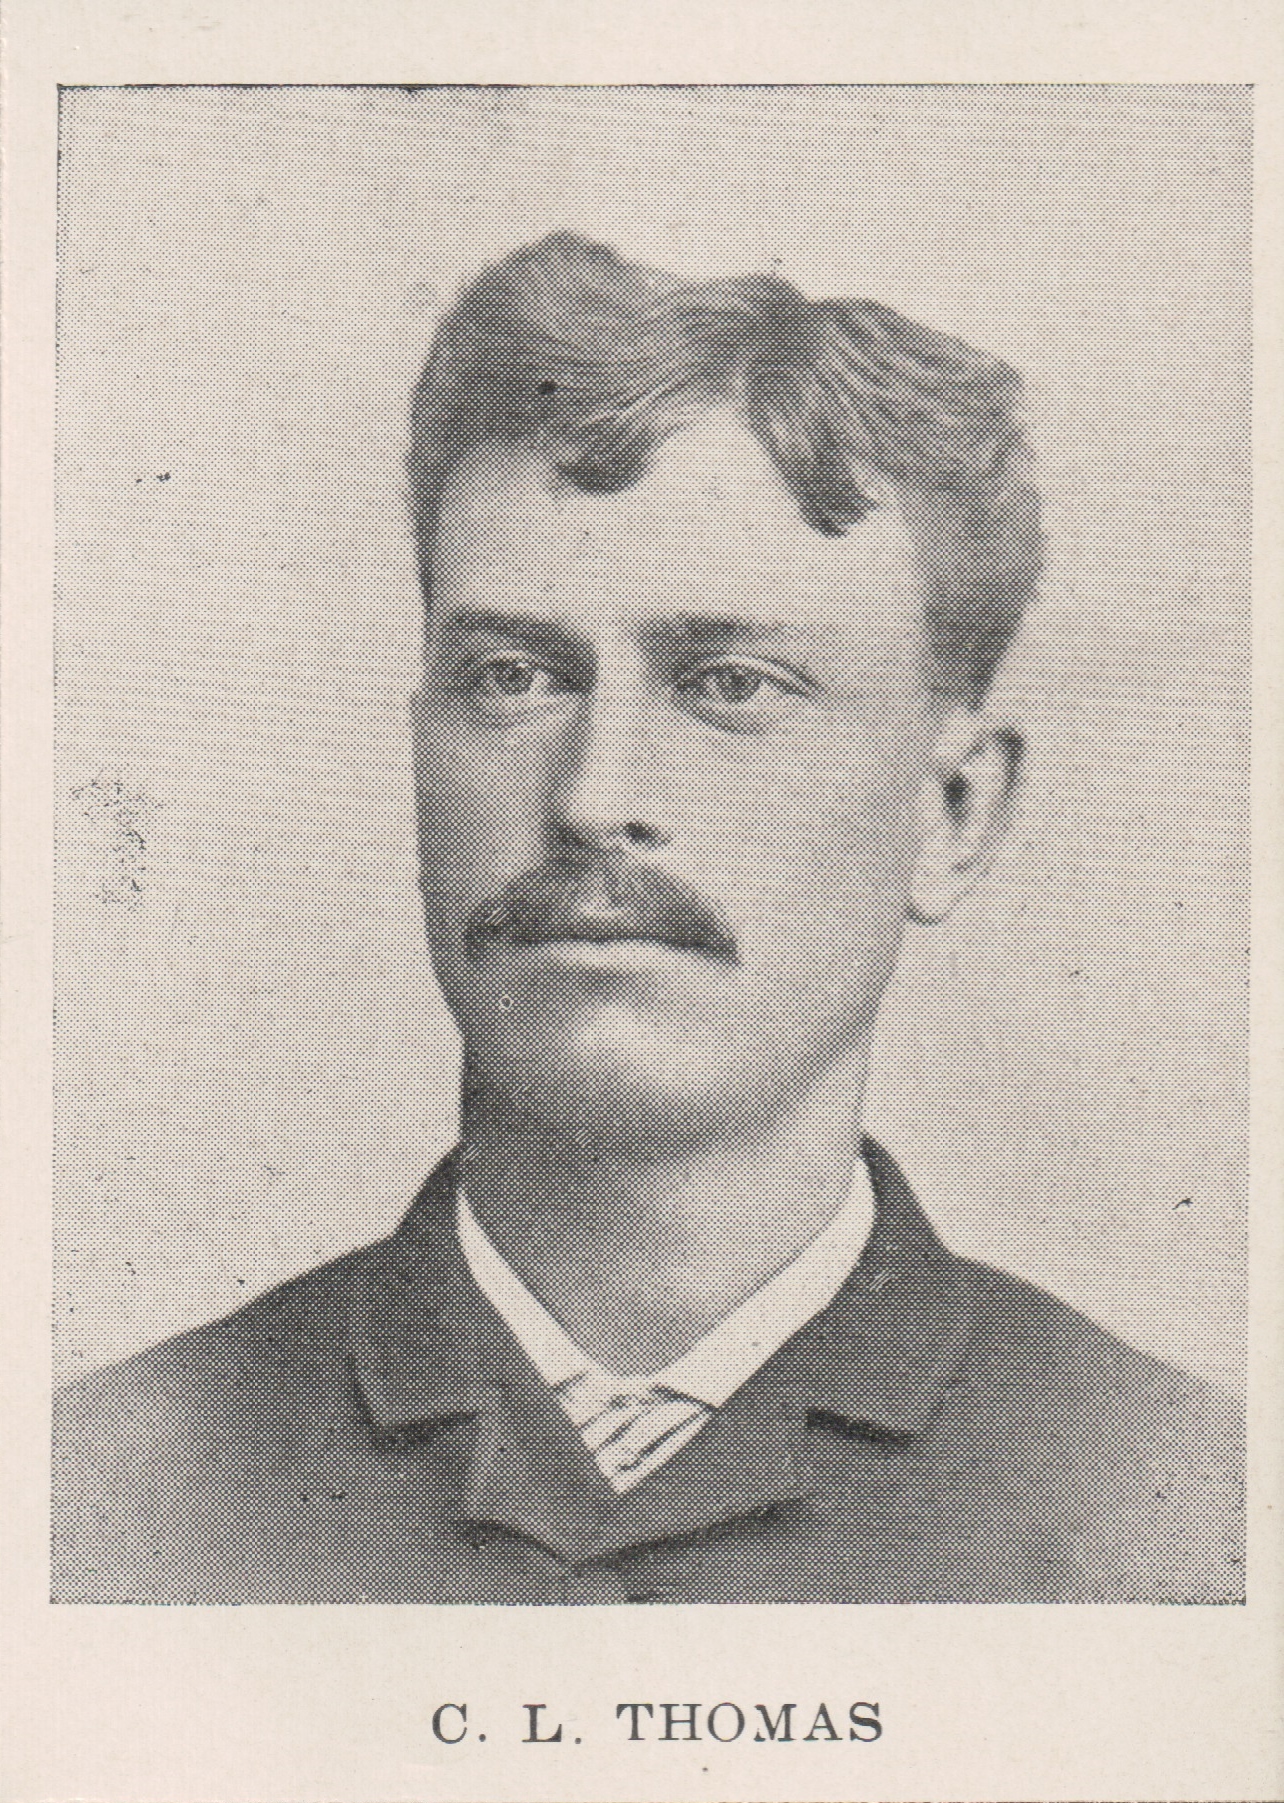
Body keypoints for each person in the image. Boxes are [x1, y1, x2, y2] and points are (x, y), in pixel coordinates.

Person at [52, 233, 1243, 1605]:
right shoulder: (101, 1498)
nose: (594, 799)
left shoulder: (1184, 1514)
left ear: (956, 811)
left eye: (732, 685)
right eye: (512, 676)